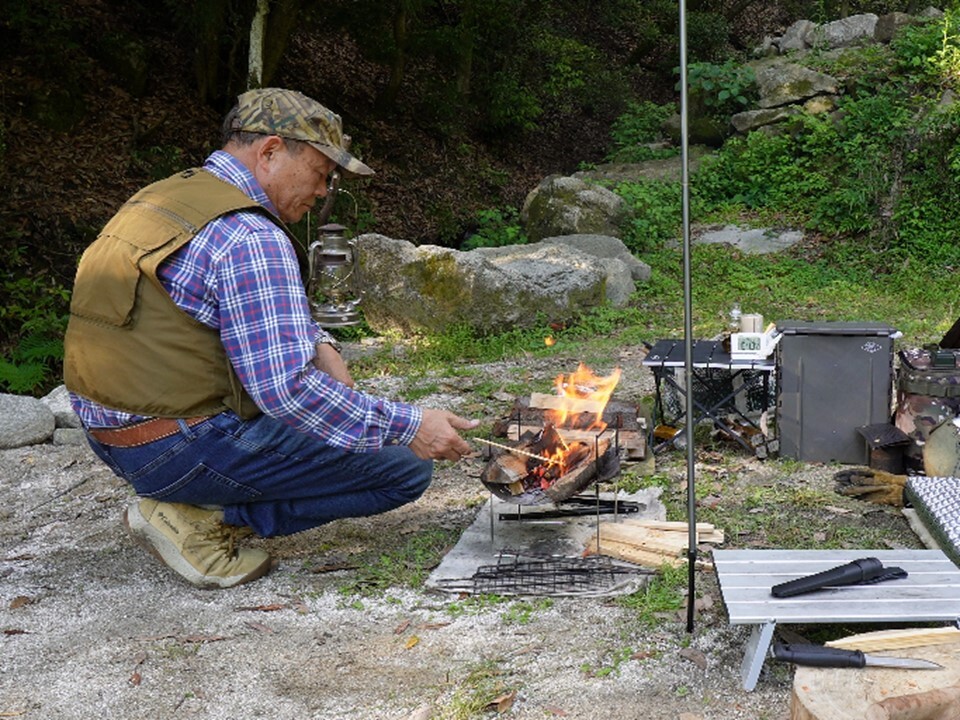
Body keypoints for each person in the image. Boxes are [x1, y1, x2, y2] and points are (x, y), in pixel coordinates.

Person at [63, 88, 478, 589]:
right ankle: (203, 522)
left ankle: (184, 499)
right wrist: (412, 425)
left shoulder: (164, 198)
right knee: (403, 468)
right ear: (271, 151)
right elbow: (286, 391)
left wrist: (319, 342)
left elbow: (228, 308)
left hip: (110, 437)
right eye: (322, 172)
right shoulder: (250, 236)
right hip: (177, 446)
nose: (324, 190)